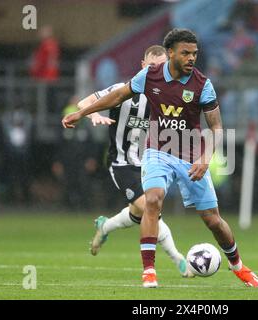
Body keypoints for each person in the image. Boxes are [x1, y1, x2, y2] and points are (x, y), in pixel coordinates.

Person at [62, 29, 258, 288]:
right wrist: (83, 112)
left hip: (190, 154)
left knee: (212, 219)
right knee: (152, 201)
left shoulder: (202, 84)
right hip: (158, 151)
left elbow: (216, 128)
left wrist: (204, 157)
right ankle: (149, 271)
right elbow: (118, 94)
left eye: (195, 53)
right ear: (170, 53)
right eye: (186, 53)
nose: (192, 58)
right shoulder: (150, 76)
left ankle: (238, 266)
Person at [74, 45, 192, 278]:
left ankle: (105, 226)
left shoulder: (167, 98)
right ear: (142, 66)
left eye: (160, 68)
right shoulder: (121, 90)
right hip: (122, 163)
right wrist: (95, 114)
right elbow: (83, 102)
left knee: (138, 214)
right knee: (150, 208)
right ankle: (177, 257)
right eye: (151, 67)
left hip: (149, 165)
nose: (155, 71)